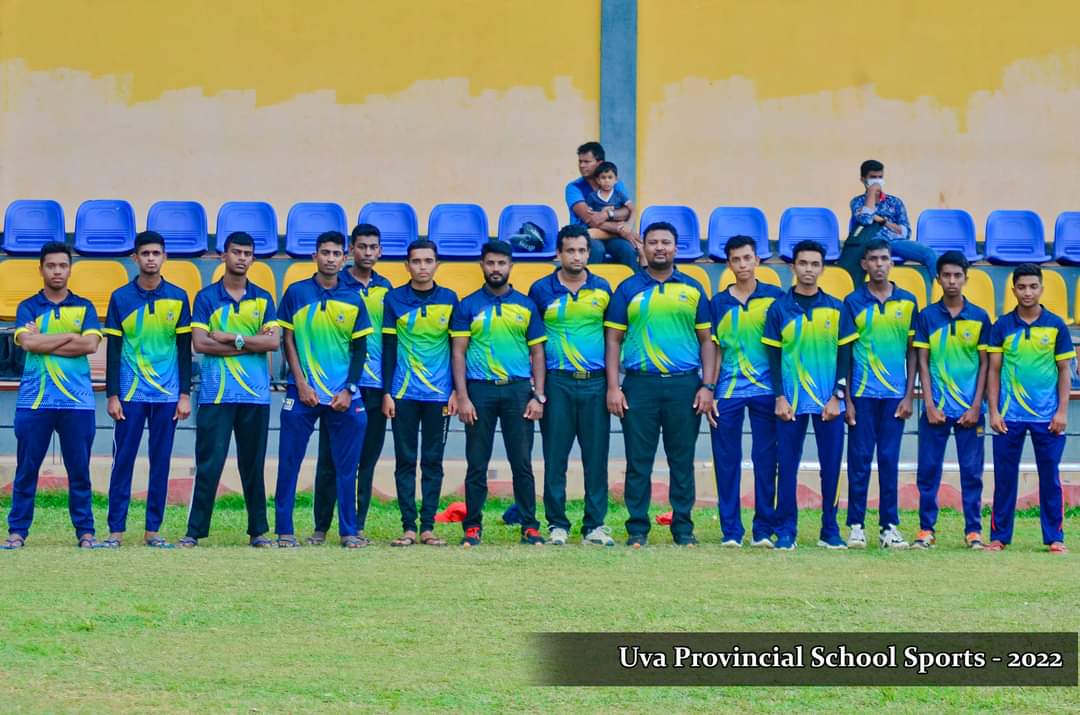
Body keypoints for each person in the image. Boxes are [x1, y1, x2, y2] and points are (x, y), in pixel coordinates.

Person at [604, 221, 715, 547]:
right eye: (653, 242)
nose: (659, 248)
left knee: (682, 461)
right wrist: (614, 387)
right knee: (638, 462)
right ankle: (637, 528)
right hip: (640, 385)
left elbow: (707, 341)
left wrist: (707, 386)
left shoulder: (693, 288)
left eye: (666, 242)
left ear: (676, 248)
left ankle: (683, 528)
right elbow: (613, 340)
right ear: (643, 247)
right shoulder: (627, 289)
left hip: (685, 385)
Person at [179, 232, 279, 548]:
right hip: (216, 394)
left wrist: (230, 338)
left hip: (255, 395)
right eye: (236, 252)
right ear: (224, 255)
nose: (241, 258)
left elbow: (273, 343)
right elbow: (200, 344)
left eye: (247, 253)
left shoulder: (263, 298)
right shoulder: (206, 298)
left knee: (253, 465)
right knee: (209, 464)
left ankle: (258, 532)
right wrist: (250, 344)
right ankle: (194, 532)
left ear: (253, 258)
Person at [1, 243, 104, 550]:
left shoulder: (85, 307)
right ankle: (17, 531)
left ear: (70, 269)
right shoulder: (27, 307)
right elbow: (28, 344)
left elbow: (90, 346)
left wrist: (45, 340)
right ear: (41, 269)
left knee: (79, 471)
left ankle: (85, 532)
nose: (57, 271)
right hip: (35, 401)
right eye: (51, 266)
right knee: (26, 470)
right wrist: (71, 336)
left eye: (62, 265)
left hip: (77, 402)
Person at [274, 231, 373, 549]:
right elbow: (287, 340)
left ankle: (348, 532)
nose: (331, 259)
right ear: (314, 256)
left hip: (343, 396)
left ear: (344, 257)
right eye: (325, 253)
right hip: (302, 394)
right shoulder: (296, 292)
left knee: (347, 467)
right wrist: (300, 383)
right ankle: (284, 531)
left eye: (336, 254)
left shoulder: (354, 297)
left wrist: (349, 389)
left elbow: (360, 349)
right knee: (289, 463)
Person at [762, 240, 858, 551]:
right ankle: (786, 530)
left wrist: (837, 397)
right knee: (787, 466)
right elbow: (773, 358)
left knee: (831, 467)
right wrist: (779, 397)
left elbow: (845, 357)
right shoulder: (779, 309)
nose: (808, 270)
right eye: (803, 263)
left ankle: (829, 530)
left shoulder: (837, 308)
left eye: (815, 264)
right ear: (793, 267)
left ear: (822, 268)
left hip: (828, 403)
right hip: (791, 402)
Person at [452, 240, 547, 547]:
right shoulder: (467, 305)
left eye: (501, 263)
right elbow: (458, 352)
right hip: (479, 391)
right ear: (482, 265)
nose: (496, 269)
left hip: (518, 390)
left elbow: (538, 353)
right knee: (476, 463)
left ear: (510, 266)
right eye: (490, 263)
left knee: (522, 463)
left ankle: (529, 525)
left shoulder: (526, 305)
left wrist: (538, 395)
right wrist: (463, 396)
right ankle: (472, 526)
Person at [102, 231, 192, 548]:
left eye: (156, 253)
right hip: (130, 395)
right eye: (145, 253)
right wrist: (112, 394)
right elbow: (113, 350)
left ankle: (153, 530)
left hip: (167, 396)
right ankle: (115, 531)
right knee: (122, 462)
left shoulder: (179, 296)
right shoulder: (120, 297)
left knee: (161, 462)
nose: (151, 258)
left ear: (164, 256)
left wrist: (184, 394)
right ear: (135, 258)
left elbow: (184, 349)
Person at [529, 224, 615, 546]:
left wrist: (612, 385)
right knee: (555, 457)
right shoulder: (541, 290)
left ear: (589, 253)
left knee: (596, 458)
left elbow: (612, 338)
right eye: (570, 251)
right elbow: (533, 342)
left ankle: (595, 525)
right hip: (557, 383)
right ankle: (557, 524)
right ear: (558, 253)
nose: (576, 257)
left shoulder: (602, 288)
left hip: (595, 383)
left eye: (581, 251)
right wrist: (536, 389)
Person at [308, 224, 393, 546]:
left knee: (366, 461)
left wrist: (388, 389)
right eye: (361, 246)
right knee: (329, 459)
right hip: (340, 387)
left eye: (373, 247)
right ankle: (320, 527)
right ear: (350, 251)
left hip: (376, 387)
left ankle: (356, 526)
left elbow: (390, 341)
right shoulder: (336, 285)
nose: (367, 252)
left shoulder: (387, 289)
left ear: (380, 251)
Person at [986, 263, 1073, 553]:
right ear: (1013, 290)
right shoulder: (1002, 326)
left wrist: (1062, 412)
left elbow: (1065, 371)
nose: (1027, 292)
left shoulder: (1056, 325)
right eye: (1022, 287)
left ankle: (1055, 538)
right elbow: (994, 371)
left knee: (1050, 478)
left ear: (1041, 289)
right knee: (1004, 478)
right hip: (1008, 417)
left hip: (1047, 417)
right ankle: (999, 537)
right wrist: (994, 411)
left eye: (1033, 286)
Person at [911, 251, 991, 550]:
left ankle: (973, 531)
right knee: (928, 471)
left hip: (970, 411)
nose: (952, 281)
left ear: (966, 278)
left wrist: (976, 406)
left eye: (958, 275)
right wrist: (929, 405)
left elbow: (985, 364)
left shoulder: (980, 317)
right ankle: (926, 529)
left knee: (972, 473)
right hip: (936, 411)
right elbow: (922, 361)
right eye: (947, 275)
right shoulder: (927, 316)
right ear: (938, 279)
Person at [841, 239, 918, 550]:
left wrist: (909, 394)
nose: (879, 264)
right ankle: (856, 527)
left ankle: (889, 527)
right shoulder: (852, 302)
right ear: (864, 264)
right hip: (862, 395)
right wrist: (847, 399)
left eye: (884, 258)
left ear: (891, 262)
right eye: (873, 259)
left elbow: (913, 352)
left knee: (888, 459)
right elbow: (846, 353)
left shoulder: (908, 301)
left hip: (894, 396)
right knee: (859, 460)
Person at [381, 239, 459, 547]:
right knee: (405, 460)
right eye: (416, 261)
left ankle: (427, 527)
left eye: (428, 261)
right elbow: (389, 349)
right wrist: (387, 392)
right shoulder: (394, 299)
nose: (422, 267)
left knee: (432, 460)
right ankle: (408, 527)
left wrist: (456, 391)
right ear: (407, 265)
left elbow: (458, 349)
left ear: (437, 264)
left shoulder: (450, 299)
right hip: (404, 393)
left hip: (439, 395)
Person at [708, 235, 784, 548]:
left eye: (747, 258)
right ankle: (731, 531)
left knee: (766, 460)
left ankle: (763, 529)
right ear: (729, 264)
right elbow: (715, 349)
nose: (742, 264)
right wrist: (710, 389)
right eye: (736, 259)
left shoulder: (775, 298)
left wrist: (782, 392)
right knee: (726, 461)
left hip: (767, 390)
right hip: (728, 391)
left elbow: (782, 348)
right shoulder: (718, 303)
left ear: (757, 260)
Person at [836, 159, 937, 284]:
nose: (877, 181)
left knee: (930, 254)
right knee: (857, 261)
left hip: (894, 242)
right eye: (873, 177)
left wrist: (882, 221)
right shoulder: (857, 202)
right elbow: (866, 220)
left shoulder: (895, 202)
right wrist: (871, 193)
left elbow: (905, 232)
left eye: (880, 177)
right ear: (863, 179)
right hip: (869, 242)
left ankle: (939, 291)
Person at [565, 141, 640, 268]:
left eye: (587, 162)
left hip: (613, 236)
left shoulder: (615, 183)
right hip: (587, 235)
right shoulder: (574, 187)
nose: (582, 165)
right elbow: (591, 220)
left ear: (599, 163)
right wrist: (621, 230)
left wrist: (607, 214)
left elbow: (627, 211)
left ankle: (633, 282)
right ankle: (590, 281)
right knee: (596, 250)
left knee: (627, 250)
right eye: (580, 161)